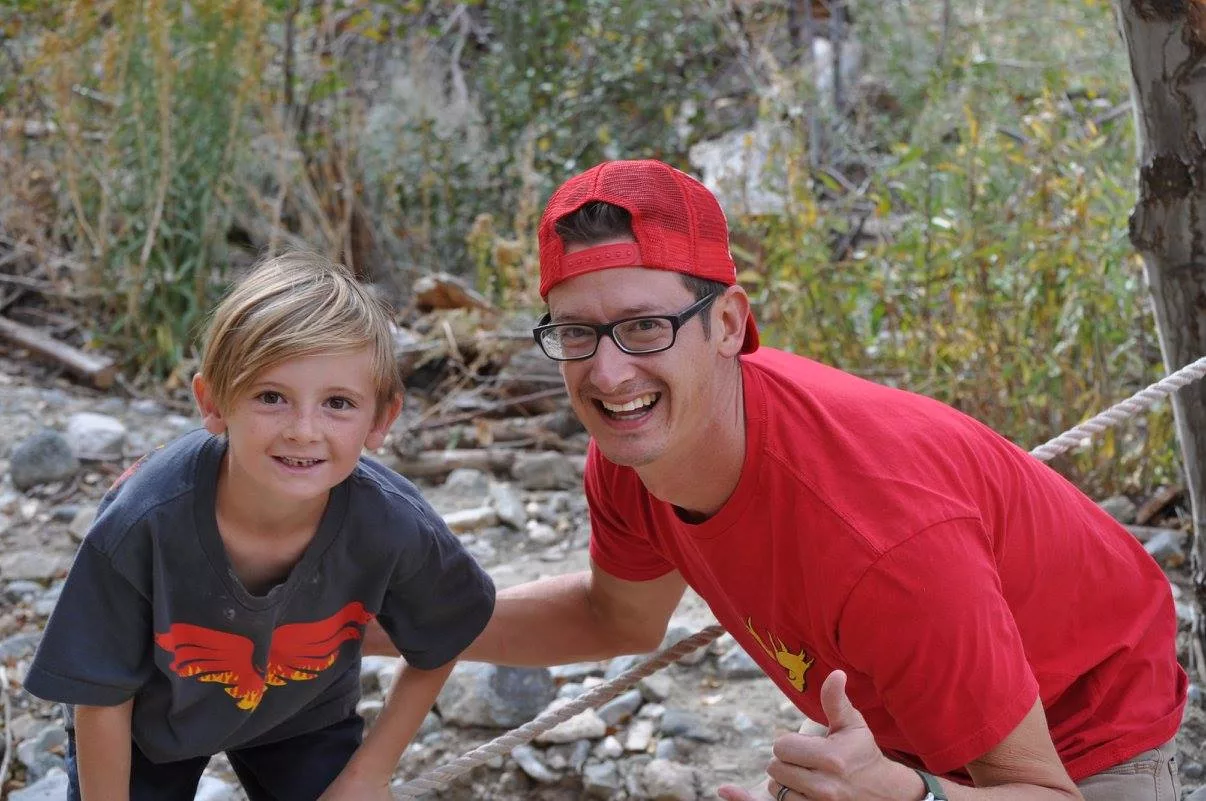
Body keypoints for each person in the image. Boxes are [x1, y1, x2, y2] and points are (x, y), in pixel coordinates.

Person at [459, 159, 1188, 801]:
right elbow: (616, 618)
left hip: (1079, 745)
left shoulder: (880, 536)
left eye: (645, 326)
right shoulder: (636, 453)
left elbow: (1040, 792)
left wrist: (908, 795)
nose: (609, 372)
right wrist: (377, 618)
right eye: (576, 332)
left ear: (728, 325)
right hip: (908, 739)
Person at [25, 252, 496, 801]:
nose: (303, 431)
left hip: (302, 712)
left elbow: (441, 640)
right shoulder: (143, 522)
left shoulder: (393, 525)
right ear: (215, 402)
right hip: (149, 723)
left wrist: (368, 776)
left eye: (338, 403)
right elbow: (101, 697)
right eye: (271, 397)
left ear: (381, 420)